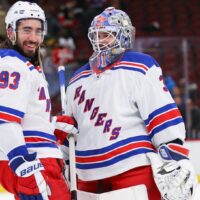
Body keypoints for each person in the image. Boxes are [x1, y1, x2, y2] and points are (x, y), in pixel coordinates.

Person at [58, 7, 199, 200]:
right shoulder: (76, 80)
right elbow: (70, 131)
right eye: (97, 35)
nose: (100, 41)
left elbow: (160, 113)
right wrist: (64, 156)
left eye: (107, 35)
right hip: (86, 174)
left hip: (131, 167)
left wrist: (174, 152)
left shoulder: (140, 66)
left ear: (123, 36)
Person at [0, 1, 70, 199]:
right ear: (11, 31)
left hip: (38, 159)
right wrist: (23, 164)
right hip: (34, 161)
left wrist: (53, 125)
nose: (33, 38)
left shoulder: (24, 65)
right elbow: (4, 120)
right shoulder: (13, 64)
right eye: (27, 30)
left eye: (38, 31)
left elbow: (23, 117)